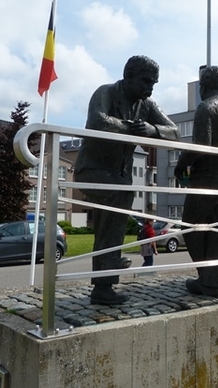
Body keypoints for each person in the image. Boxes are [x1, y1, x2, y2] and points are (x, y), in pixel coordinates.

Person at [74, 55, 180, 305]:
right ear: (128, 75)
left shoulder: (147, 104)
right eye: (146, 81)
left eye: (154, 83)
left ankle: (103, 281)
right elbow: (98, 121)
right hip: (92, 170)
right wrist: (131, 128)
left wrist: (152, 130)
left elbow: (174, 132)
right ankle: (109, 267)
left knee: (109, 216)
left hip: (118, 176)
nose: (150, 88)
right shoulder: (106, 92)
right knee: (122, 195)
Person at [174, 66, 218, 296]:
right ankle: (212, 279)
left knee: (190, 225)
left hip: (210, 175)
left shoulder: (206, 107)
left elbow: (201, 145)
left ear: (203, 86)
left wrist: (180, 163)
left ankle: (207, 277)